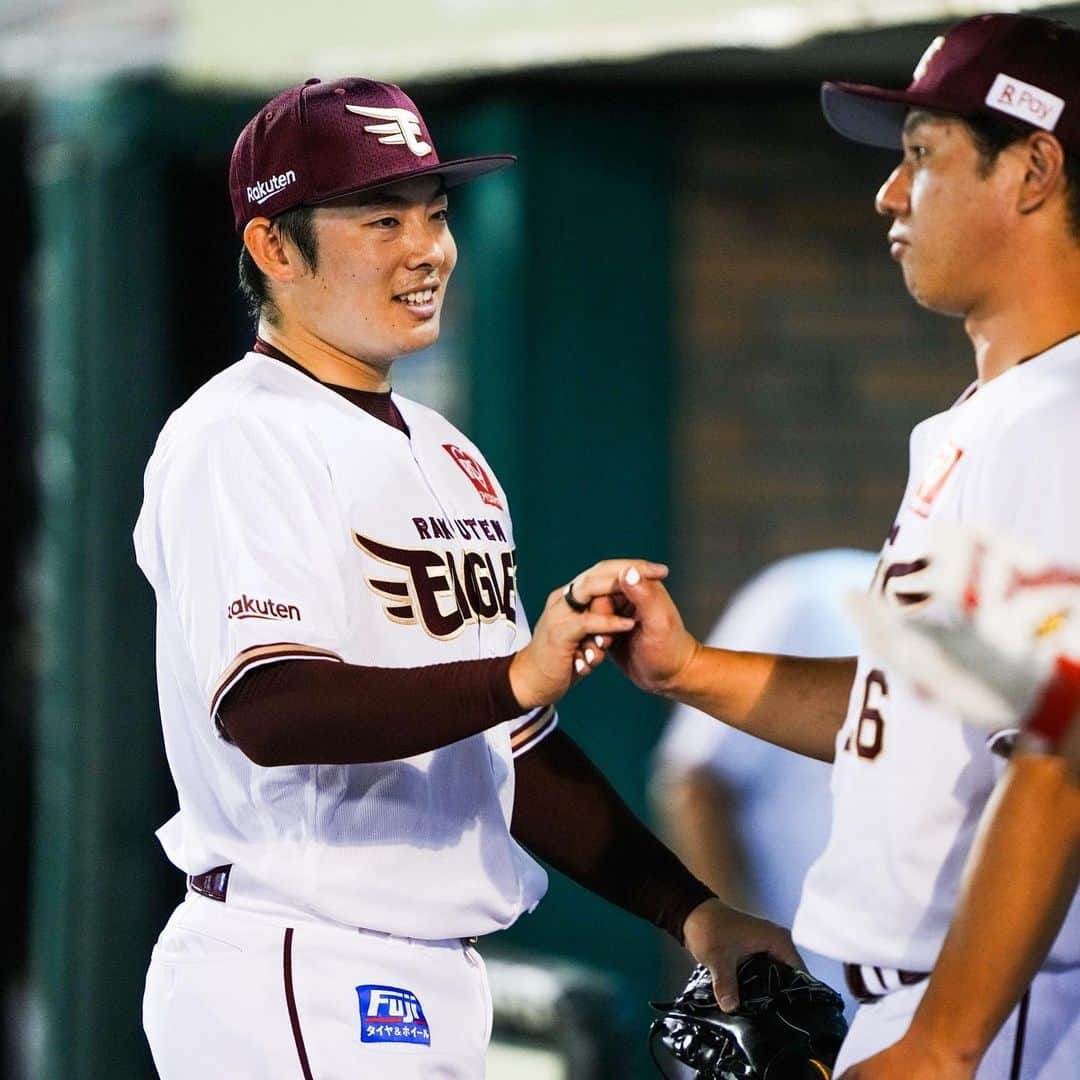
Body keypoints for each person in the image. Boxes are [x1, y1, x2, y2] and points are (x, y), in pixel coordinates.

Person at [132, 76, 797, 1078]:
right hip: (299, 960)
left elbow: (508, 751)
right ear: (274, 246)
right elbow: (269, 711)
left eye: (437, 215)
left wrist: (692, 912)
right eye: (382, 218)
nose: (427, 249)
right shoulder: (237, 433)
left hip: (425, 974)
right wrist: (518, 674)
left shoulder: (452, 457)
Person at [604, 13, 1080, 1079]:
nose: (889, 194)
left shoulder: (1059, 417)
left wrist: (945, 1044)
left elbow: (1066, 753)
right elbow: (912, 714)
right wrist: (692, 672)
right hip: (929, 1006)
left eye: (922, 157)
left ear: (1035, 168)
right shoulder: (993, 417)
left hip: (997, 1019)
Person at [652, 548, 877, 1020]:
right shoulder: (812, 593)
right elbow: (692, 784)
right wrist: (745, 973)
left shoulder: (1006, 633)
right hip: (786, 1006)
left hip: (909, 1009)